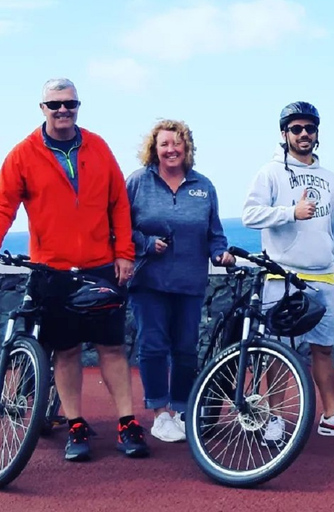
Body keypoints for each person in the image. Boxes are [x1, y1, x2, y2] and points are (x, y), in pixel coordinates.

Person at [0, 78, 149, 461]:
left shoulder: (98, 147)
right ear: (42, 109)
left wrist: (124, 253)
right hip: (52, 270)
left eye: (70, 104)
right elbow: (2, 202)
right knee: (66, 352)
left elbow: (119, 203)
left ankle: (126, 422)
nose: (63, 110)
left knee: (113, 349)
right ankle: (75, 424)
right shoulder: (23, 154)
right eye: (55, 105)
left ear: (78, 106)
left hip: (101, 267)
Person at [242, 101, 334, 440]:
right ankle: (275, 418)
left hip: (323, 276)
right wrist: (289, 212)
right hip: (283, 277)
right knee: (279, 351)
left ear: (317, 133)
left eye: (309, 128)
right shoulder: (269, 173)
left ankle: (330, 415)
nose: (304, 134)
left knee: (324, 349)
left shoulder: (330, 178)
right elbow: (250, 215)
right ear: (284, 134)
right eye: (296, 128)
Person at [126, 119, 234, 443]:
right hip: (149, 282)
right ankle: (160, 413)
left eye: (177, 143)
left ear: (186, 147)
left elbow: (215, 234)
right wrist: (145, 244)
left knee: (185, 349)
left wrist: (221, 254)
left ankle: (183, 409)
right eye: (164, 144)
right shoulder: (136, 183)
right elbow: (116, 228)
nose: (171, 149)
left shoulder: (204, 187)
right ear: (154, 149)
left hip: (190, 283)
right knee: (154, 345)